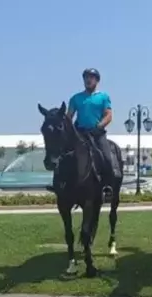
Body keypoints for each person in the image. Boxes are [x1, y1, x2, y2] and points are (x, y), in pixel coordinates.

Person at [51, 68, 119, 200]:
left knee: (107, 157)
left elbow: (108, 115)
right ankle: (59, 183)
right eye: (86, 77)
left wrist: (99, 126)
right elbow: (69, 117)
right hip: (79, 133)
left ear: (97, 80)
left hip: (97, 134)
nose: (88, 80)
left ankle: (107, 187)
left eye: (91, 77)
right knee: (62, 156)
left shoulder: (103, 97)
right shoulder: (76, 98)